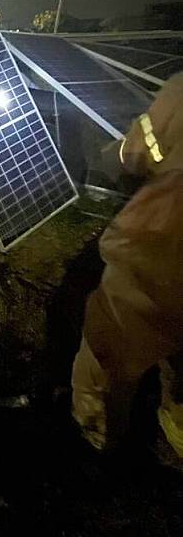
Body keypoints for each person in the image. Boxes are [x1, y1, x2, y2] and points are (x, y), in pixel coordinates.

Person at [71, 72, 183, 456]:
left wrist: (115, 155)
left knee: (104, 360)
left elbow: (134, 155)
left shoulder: (181, 92)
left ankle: (97, 446)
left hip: (157, 258)